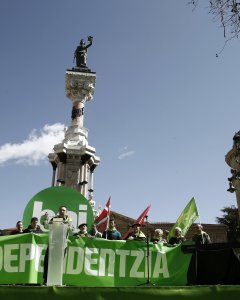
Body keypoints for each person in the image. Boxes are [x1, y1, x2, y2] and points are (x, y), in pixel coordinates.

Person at [43, 205, 73, 285]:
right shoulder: (55, 219)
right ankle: (46, 280)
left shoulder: (69, 220)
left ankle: (57, 281)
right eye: (60, 210)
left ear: (66, 212)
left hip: (62, 245)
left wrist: (66, 224)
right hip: (53, 244)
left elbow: (71, 229)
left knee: (59, 263)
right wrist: (46, 219)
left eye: (63, 210)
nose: (62, 211)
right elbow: (46, 226)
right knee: (47, 261)